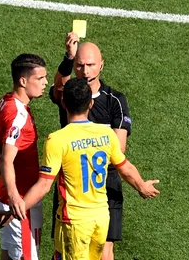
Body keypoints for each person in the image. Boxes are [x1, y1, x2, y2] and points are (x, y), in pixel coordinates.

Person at [0, 78, 160, 260]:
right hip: (101, 219)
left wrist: (16, 210)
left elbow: (44, 186)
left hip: (74, 222)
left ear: (63, 102)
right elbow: (125, 167)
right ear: (91, 103)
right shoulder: (107, 135)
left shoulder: (57, 140)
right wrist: (142, 186)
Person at [48, 33, 132, 260]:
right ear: (74, 67)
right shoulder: (70, 94)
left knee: (105, 252)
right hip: (72, 185)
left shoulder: (115, 100)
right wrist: (67, 56)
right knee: (66, 250)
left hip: (105, 184)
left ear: (101, 65)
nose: (85, 71)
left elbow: (119, 149)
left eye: (91, 65)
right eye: (80, 65)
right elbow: (58, 85)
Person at [0, 53, 48, 260]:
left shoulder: (5, 101)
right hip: (21, 201)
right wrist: (15, 198)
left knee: (9, 254)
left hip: (10, 194)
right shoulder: (17, 116)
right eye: (40, 79)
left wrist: (5, 181)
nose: (45, 83)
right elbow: (6, 158)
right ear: (23, 81)